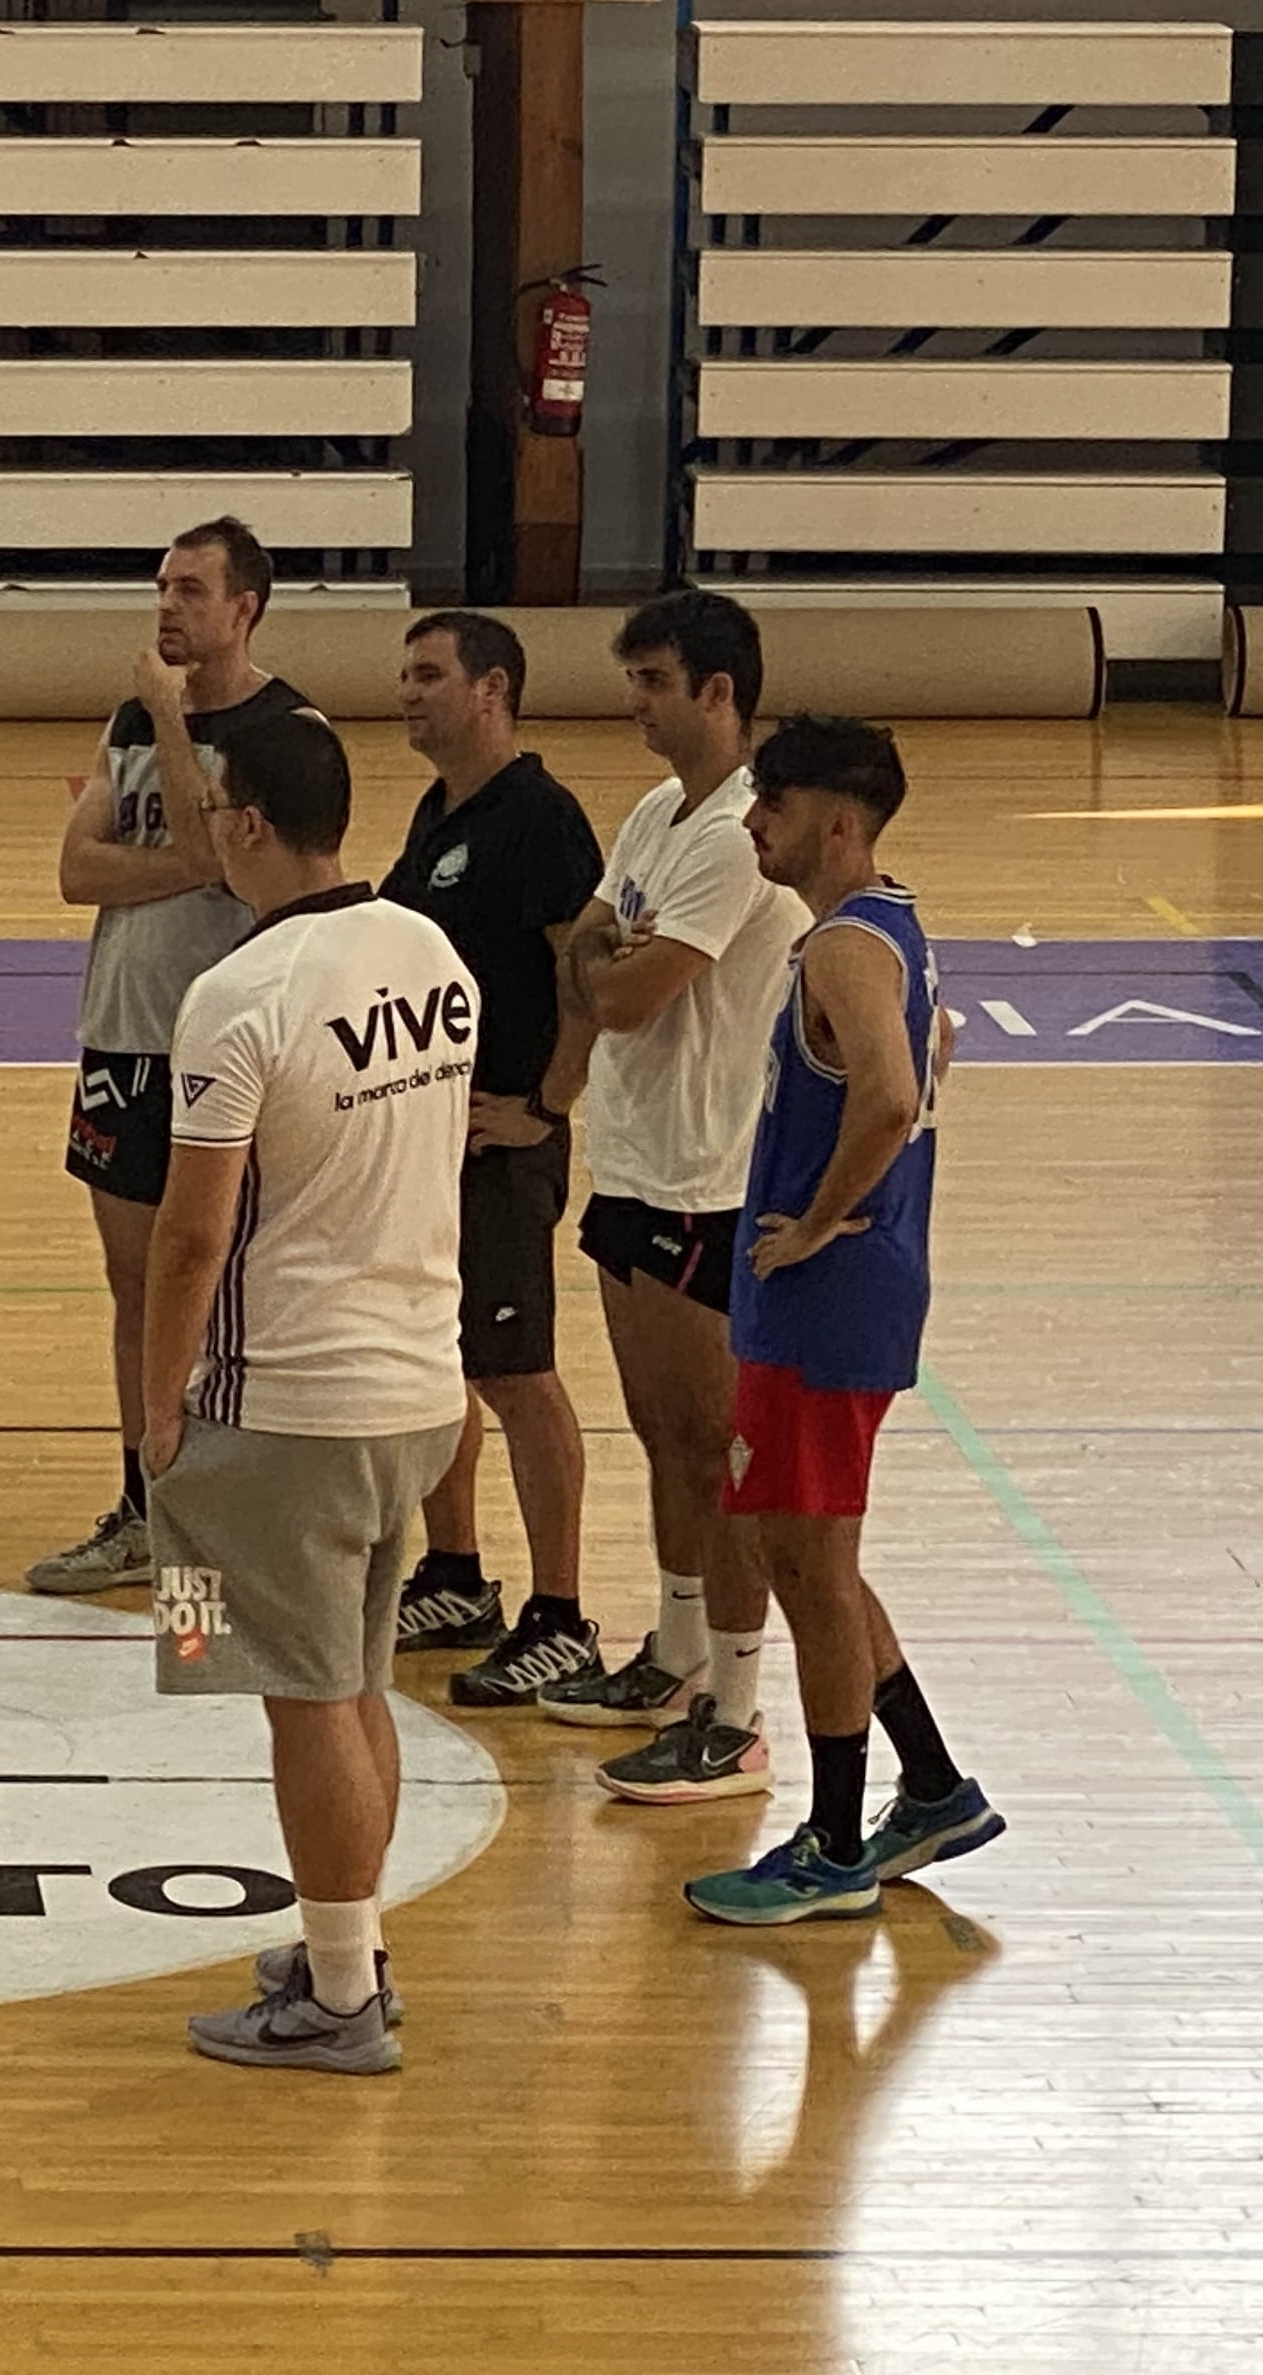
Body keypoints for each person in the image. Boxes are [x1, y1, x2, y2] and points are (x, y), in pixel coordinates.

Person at [139, 712, 474, 2074]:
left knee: (296, 1695)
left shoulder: (239, 993)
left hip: (280, 1405)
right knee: (353, 1683)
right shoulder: (429, 952)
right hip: (418, 1391)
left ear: (248, 822)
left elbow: (188, 1234)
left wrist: (152, 1409)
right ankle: (351, 1944)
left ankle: (338, 1997)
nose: (206, 817)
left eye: (214, 800)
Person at [684, 717, 1002, 1924]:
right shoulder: (887, 925)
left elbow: (889, 1091)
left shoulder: (841, 950)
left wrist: (817, 1221)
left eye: (770, 802)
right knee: (799, 1550)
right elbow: (937, 1053)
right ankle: (926, 1783)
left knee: (805, 1566)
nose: (752, 820)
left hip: (826, 1295)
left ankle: (828, 1844)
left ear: (835, 821)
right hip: (841, 1292)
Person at [538, 594, 805, 1783]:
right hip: (634, 1158)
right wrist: (604, 960)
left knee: (715, 1444)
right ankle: (675, 1647)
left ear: (717, 691)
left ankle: (737, 1711)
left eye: (651, 680)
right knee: (658, 1431)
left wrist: (603, 962)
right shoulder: (654, 810)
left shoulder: (738, 830)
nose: (632, 702)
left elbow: (623, 990)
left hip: (709, 1174)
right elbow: (586, 952)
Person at [34, 519, 320, 1595]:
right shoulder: (126, 716)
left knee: (214, 1280)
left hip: (223, 1044)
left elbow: (222, 865)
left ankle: (222, 1510)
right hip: (119, 1028)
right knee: (131, 1279)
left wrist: (164, 716)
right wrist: (170, 852)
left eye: (188, 590)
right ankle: (143, 1503)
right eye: (158, 586)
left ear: (242, 606)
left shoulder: (285, 729)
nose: (165, 608)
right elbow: (74, 869)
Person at [377, 612, 606, 1708]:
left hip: (502, 1149)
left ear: (491, 688)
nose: (407, 692)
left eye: (429, 675)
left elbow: (587, 979)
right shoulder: (440, 811)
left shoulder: (539, 820)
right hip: (432, 1141)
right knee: (442, 1357)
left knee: (515, 1373)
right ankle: (456, 1574)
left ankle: (559, 1615)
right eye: (404, 674)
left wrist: (546, 1106)